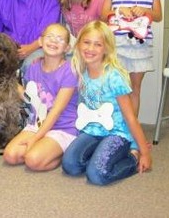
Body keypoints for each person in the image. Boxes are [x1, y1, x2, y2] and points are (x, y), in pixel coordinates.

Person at [61, 21, 152, 186]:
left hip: (116, 134)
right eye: (86, 42)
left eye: (97, 44)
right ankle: (101, 155)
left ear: (106, 49)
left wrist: (143, 151)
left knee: (97, 175)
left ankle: (131, 156)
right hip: (92, 130)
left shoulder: (113, 77)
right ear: (79, 43)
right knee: (70, 165)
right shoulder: (81, 71)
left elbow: (130, 117)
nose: (90, 49)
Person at [100, 0, 163, 117]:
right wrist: (119, 10)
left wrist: (145, 10)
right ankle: (117, 129)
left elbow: (158, 16)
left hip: (140, 44)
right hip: (117, 44)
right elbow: (104, 15)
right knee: (118, 88)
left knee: (135, 89)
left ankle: (131, 130)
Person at [3, 23, 78, 171]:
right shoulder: (33, 66)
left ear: (67, 48)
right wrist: (14, 85)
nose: (54, 41)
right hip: (37, 123)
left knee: (32, 160)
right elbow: (30, 98)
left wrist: (36, 138)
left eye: (60, 39)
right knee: (10, 156)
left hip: (62, 127)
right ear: (41, 41)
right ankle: (45, 148)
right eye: (49, 37)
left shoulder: (69, 70)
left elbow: (56, 111)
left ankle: (62, 153)